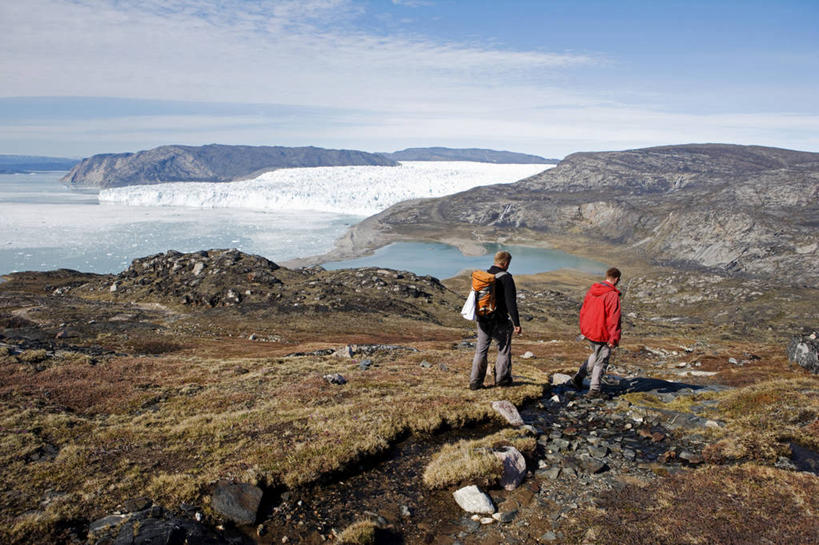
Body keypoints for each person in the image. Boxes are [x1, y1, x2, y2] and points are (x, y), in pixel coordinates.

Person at [469, 250, 522, 390]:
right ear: (505, 263)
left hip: (483, 319)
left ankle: (475, 382)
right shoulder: (506, 278)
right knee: (503, 350)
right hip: (500, 320)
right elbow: (511, 303)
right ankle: (502, 380)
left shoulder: (485, 276)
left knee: (481, 351)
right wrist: (516, 323)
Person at [572, 267, 622, 398]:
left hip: (590, 331)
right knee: (602, 359)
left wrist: (584, 329)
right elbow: (614, 319)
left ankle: (578, 377)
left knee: (596, 354)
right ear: (616, 279)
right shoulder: (612, 295)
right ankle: (594, 390)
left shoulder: (593, 290)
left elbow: (583, 310)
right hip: (602, 333)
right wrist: (614, 338)